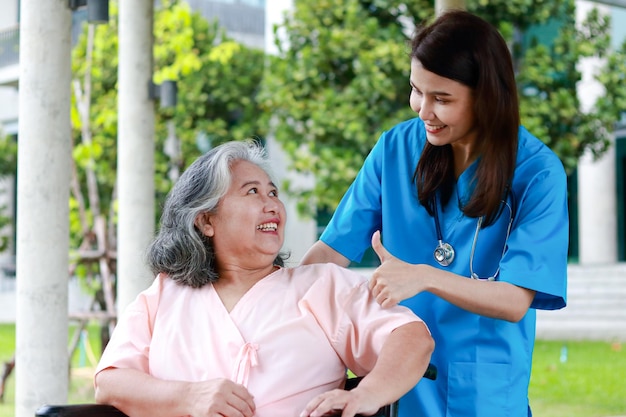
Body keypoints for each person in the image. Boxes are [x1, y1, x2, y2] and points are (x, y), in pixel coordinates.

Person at [301, 9, 568, 417]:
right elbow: (329, 254)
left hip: (485, 392)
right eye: (416, 90)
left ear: (486, 97)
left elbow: (515, 299)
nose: (423, 110)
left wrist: (423, 276)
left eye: (442, 99)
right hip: (400, 381)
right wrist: (265, 304)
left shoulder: (537, 172)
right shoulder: (394, 149)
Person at [93, 140, 434, 417]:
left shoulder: (322, 286)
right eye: (252, 192)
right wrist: (189, 397)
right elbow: (109, 384)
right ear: (205, 221)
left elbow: (410, 337)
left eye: (273, 193)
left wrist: (367, 395)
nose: (272, 204)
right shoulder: (164, 295)